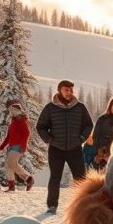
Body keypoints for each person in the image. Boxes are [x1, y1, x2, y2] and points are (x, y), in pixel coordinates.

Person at [36, 80, 93, 214]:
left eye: (71, 90)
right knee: (55, 177)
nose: (69, 92)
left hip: (75, 149)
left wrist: (82, 138)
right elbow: (40, 126)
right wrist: (48, 139)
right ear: (59, 90)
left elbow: (88, 125)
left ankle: (84, 206)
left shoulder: (80, 107)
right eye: (66, 90)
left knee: (80, 178)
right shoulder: (50, 108)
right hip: (56, 149)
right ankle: (52, 206)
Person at [0, 102, 34, 191]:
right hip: (11, 147)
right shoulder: (13, 123)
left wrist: (22, 145)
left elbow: (27, 133)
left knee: (11, 163)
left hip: (18, 146)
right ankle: (11, 186)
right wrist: (1, 147)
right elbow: (8, 137)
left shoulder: (22, 120)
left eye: (13, 110)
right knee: (9, 165)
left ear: (18, 111)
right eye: (10, 111)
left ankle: (29, 179)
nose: (11, 112)